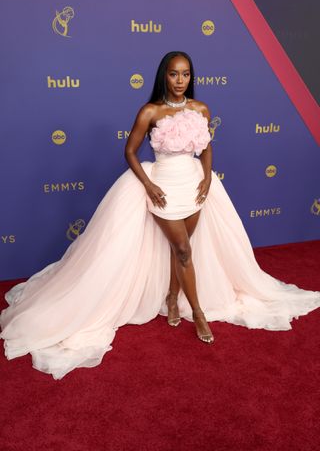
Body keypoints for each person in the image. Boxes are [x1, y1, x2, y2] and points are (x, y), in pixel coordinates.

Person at [1, 51, 319, 380]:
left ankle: (171, 296)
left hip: (194, 186)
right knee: (183, 250)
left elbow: (207, 146)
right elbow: (129, 151)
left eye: (185, 74)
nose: (180, 80)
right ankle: (197, 313)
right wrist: (149, 183)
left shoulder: (201, 109)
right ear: (163, 76)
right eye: (173, 74)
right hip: (164, 187)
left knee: (181, 248)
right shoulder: (150, 111)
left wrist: (208, 178)